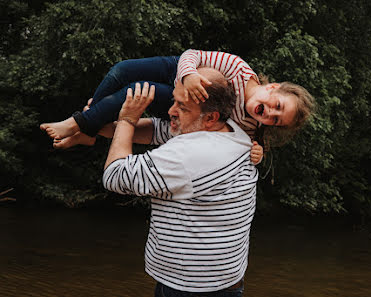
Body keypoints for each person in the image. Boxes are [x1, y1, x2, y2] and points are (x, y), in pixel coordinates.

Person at [103, 67, 257, 296]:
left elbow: (116, 176)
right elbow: (161, 130)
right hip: (225, 281)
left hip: (189, 289)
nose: (171, 111)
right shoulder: (234, 131)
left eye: (181, 107)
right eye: (174, 101)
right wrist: (98, 126)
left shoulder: (189, 154)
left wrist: (127, 119)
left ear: (211, 118)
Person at [40, 49, 315, 156]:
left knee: (135, 91)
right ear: (273, 87)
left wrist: (256, 156)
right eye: (276, 105)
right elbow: (191, 55)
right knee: (121, 70)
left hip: (183, 102)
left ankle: (79, 123)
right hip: (177, 71)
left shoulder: (250, 126)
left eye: (275, 120)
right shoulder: (238, 68)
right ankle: (87, 127)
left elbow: (245, 149)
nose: (269, 113)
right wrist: (190, 74)